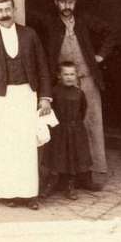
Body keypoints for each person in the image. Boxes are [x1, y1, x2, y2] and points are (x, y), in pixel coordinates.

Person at [0, 0, 53, 208]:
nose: (4, 14)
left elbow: (43, 66)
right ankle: (8, 193)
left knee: (26, 144)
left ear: (14, 10)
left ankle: (29, 194)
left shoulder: (30, 35)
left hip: (26, 95)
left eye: (7, 10)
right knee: (5, 146)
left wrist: (45, 97)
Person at [31, 0, 114, 190]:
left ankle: (90, 175)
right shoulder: (50, 23)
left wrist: (100, 56)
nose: (67, 6)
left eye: (71, 2)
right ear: (55, 3)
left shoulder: (84, 20)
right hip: (60, 85)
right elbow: (28, 16)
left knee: (90, 125)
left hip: (86, 81)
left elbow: (110, 32)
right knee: (60, 128)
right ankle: (57, 176)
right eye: (63, 2)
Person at [43, 62, 93, 199]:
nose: (69, 77)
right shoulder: (54, 92)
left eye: (72, 74)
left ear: (76, 76)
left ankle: (70, 185)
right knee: (57, 156)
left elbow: (82, 110)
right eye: (66, 74)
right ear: (59, 76)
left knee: (73, 156)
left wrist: (74, 125)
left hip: (75, 130)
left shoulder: (79, 93)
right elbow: (49, 111)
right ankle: (51, 183)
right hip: (58, 130)